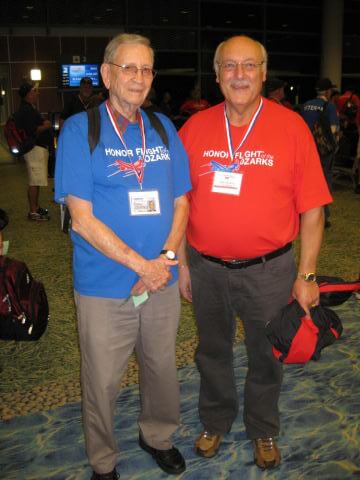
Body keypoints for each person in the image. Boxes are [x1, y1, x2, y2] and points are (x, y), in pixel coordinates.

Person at [178, 35, 332, 470]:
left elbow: (314, 209)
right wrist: (181, 262)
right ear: (216, 75)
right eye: (230, 66)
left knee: (267, 353)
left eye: (249, 66)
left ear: (264, 73)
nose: (240, 74)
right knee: (212, 349)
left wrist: (306, 274)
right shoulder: (195, 129)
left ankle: (263, 428)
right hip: (206, 268)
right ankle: (215, 419)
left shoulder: (291, 127)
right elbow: (180, 202)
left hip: (270, 270)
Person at [55, 33, 190, 480]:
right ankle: (104, 461)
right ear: (107, 73)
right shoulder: (80, 130)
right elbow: (82, 219)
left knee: (160, 369)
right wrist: (142, 266)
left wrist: (165, 258)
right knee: (102, 381)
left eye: (147, 69)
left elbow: (181, 202)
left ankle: (157, 436)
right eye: (128, 68)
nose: (139, 78)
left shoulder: (163, 128)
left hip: (161, 279)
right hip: (104, 286)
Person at [302, 78, 340, 228]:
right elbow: (333, 130)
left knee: (306, 181)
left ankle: (304, 212)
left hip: (307, 149)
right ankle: (324, 216)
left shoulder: (306, 105)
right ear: (328, 91)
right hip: (324, 151)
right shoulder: (329, 106)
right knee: (324, 180)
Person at [15, 82, 53, 221]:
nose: (37, 93)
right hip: (33, 149)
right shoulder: (26, 110)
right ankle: (33, 211)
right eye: (34, 91)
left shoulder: (28, 108)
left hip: (34, 148)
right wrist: (46, 125)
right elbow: (33, 130)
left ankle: (35, 208)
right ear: (28, 94)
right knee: (34, 181)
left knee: (35, 181)